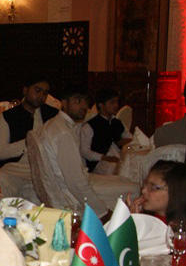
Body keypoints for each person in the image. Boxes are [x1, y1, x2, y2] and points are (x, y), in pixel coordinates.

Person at [36, 87, 135, 216]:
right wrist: (102, 212)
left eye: (85, 101)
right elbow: (76, 182)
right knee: (133, 189)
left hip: (69, 184)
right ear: (64, 103)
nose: (84, 106)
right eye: (78, 101)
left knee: (126, 181)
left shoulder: (55, 124)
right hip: (68, 194)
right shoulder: (63, 133)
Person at [131, 160, 186, 258]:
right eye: (145, 184)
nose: (144, 191)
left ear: (176, 193)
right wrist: (134, 223)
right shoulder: (147, 220)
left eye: (154, 188)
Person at [0, 77, 59, 201]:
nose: (41, 96)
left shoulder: (54, 116)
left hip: (45, 167)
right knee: (1, 178)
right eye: (37, 90)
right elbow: (1, 152)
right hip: (16, 167)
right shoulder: (8, 116)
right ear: (25, 90)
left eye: (45, 93)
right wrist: (30, 141)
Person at [79, 88, 131, 174]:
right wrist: (104, 157)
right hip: (99, 164)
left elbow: (129, 138)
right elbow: (85, 151)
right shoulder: (90, 126)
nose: (116, 105)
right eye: (112, 102)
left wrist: (122, 143)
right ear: (101, 105)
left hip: (118, 159)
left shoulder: (117, 122)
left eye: (117, 102)